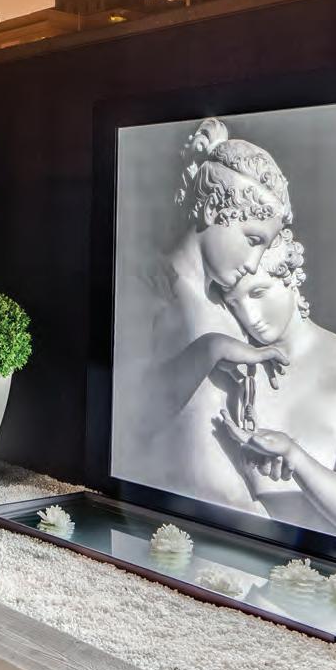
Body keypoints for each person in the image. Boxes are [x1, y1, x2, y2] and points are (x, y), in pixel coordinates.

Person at [114, 118, 294, 510]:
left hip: (236, 508)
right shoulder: (150, 285)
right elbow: (133, 417)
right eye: (252, 240)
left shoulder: (226, 309)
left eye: (263, 248)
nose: (253, 263)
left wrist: (259, 446)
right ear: (213, 208)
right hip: (171, 508)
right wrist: (213, 349)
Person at [212, 235, 336, 544]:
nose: (250, 316)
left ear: (291, 277)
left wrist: (293, 456)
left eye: (258, 292)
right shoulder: (235, 369)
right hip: (254, 556)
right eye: (234, 303)